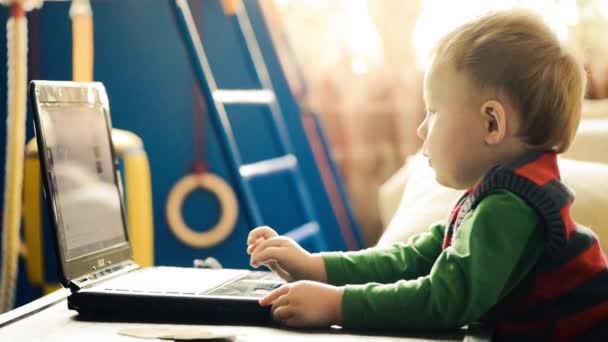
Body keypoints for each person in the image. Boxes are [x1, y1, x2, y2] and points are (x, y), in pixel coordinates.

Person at [247, 9, 608, 341]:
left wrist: (336, 304)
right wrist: (316, 267)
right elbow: (410, 260)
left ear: (492, 123)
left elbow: (443, 302)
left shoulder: (511, 209)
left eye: (433, 111)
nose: (421, 130)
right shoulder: (493, 199)